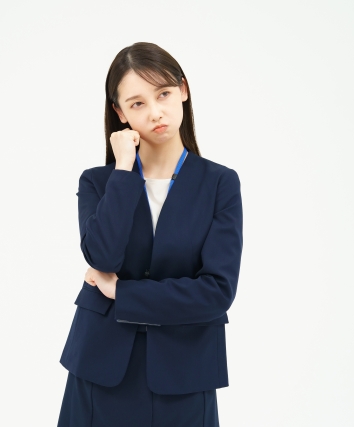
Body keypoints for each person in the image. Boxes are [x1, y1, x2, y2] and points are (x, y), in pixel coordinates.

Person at [57, 41, 244, 427]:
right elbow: (103, 256)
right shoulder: (99, 182)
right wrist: (123, 168)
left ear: (183, 89)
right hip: (100, 368)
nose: (156, 112)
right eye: (137, 103)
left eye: (163, 94)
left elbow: (216, 293)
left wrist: (121, 292)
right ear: (120, 112)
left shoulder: (220, 184)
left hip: (185, 372)